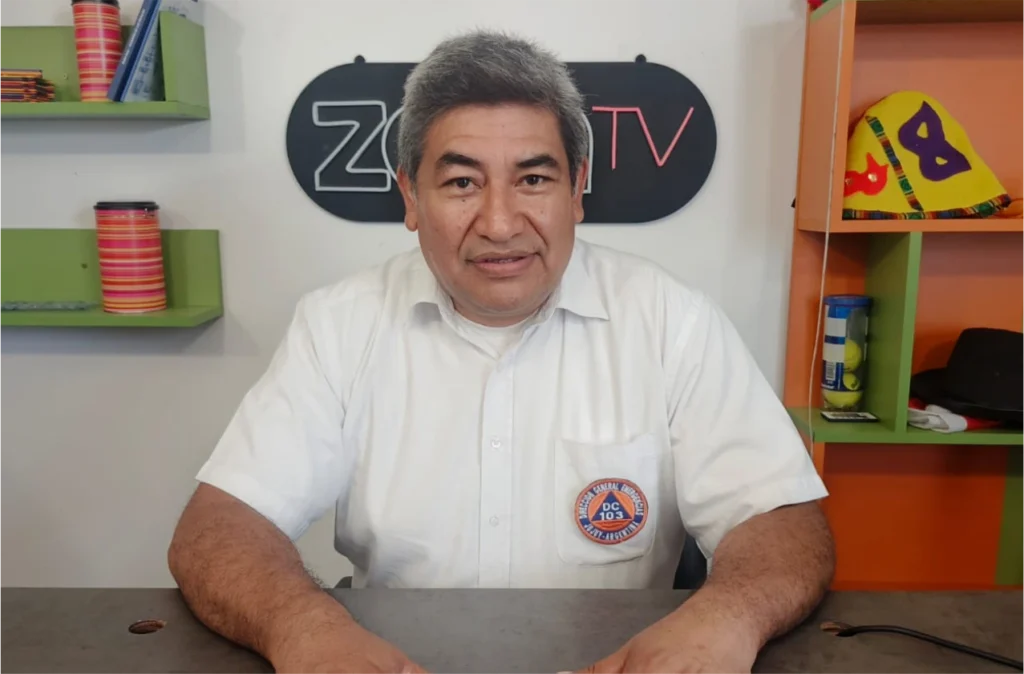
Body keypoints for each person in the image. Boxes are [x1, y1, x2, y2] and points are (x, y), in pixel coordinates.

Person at [168, 29, 835, 674]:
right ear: (410, 197)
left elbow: (782, 522)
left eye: (533, 179)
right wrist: (304, 629)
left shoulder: (673, 322)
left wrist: (725, 619)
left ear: (577, 189)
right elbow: (220, 528)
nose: (499, 223)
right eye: (462, 183)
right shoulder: (337, 326)